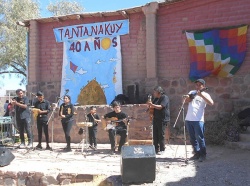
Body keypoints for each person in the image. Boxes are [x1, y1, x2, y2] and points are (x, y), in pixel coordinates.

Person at [183, 79, 214, 162]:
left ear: (203, 86)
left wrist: (201, 96)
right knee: (192, 139)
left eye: (200, 85)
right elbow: (186, 101)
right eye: (196, 84)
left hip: (198, 120)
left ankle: (203, 155)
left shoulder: (205, 94)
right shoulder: (192, 92)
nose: (198, 86)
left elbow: (211, 103)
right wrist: (188, 97)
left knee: (200, 138)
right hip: (189, 119)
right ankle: (197, 154)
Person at [147, 86, 170, 155]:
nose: (154, 93)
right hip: (156, 118)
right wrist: (149, 106)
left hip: (162, 118)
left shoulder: (164, 97)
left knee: (161, 134)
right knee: (155, 134)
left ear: (159, 92)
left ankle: (162, 149)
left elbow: (161, 107)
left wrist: (152, 105)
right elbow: (152, 106)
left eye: (155, 91)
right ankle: (155, 148)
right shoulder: (156, 99)